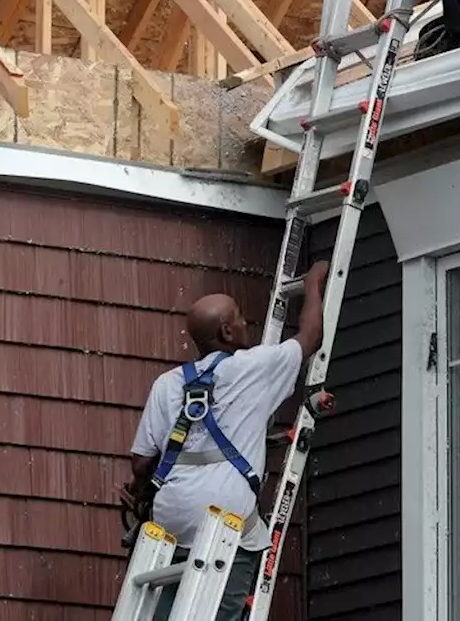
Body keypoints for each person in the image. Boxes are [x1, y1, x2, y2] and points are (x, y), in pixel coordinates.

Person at [120, 260, 335, 621]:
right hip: (222, 520)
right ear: (226, 333)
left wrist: (141, 489)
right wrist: (313, 284)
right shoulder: (253, 367)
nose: (244, 323)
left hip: (170, 519)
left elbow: (141, 464)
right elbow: (310, 337)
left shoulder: (168, 384)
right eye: (238, 318)